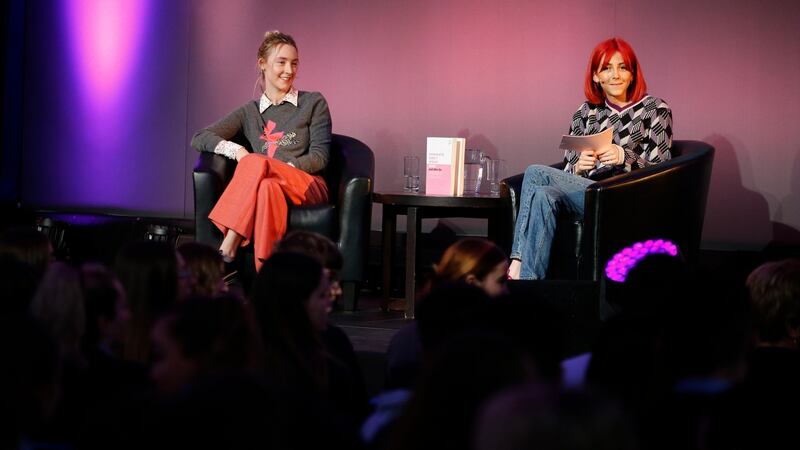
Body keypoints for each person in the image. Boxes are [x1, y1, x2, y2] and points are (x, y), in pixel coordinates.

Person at [509, 37, 673, 279]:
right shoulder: (586, 112)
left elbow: (663, 171)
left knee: (535, 172)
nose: (615, 75)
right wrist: (577, 168)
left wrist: (625, 157)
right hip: (587, 194)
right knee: (544, 194)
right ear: (596, 76)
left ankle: (516, 261)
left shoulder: (655, 109)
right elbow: (566, 169)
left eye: (623, 67)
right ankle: (531, 284)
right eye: (607, 68)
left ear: (632, 74)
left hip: (625, 196)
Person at [191, 31, 331, 271]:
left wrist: (275, 167)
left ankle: (228, 244)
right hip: (270, 184)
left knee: (258, 163)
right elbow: (200, 137)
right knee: (267, 187)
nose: (289, 70)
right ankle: (267, 276)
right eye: (282, 62)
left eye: (294, 63)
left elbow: (320, 158)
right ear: (262, 64)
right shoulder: (249, 112)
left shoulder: (313, 102)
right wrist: (238, 152)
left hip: (307, 184)